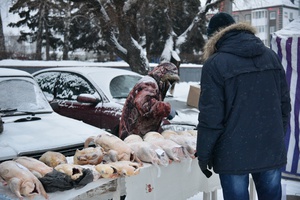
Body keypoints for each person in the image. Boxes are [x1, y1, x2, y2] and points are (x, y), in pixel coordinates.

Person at [196, 12, 291, 200]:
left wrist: (204, 155)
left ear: (214, 37)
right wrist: (276, 135)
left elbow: (211, 117)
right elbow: (284, 105)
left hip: (233, 154)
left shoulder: (215, 64)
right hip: (269, 149)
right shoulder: (270, 56)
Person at [119, 62, 180, 140]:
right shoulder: (149, 83)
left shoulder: (158, 84)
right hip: (134, 135)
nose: (169, 83)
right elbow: (145, 104)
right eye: (169, 80)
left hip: (142, 133)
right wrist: (167, 109)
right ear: (162, 75)